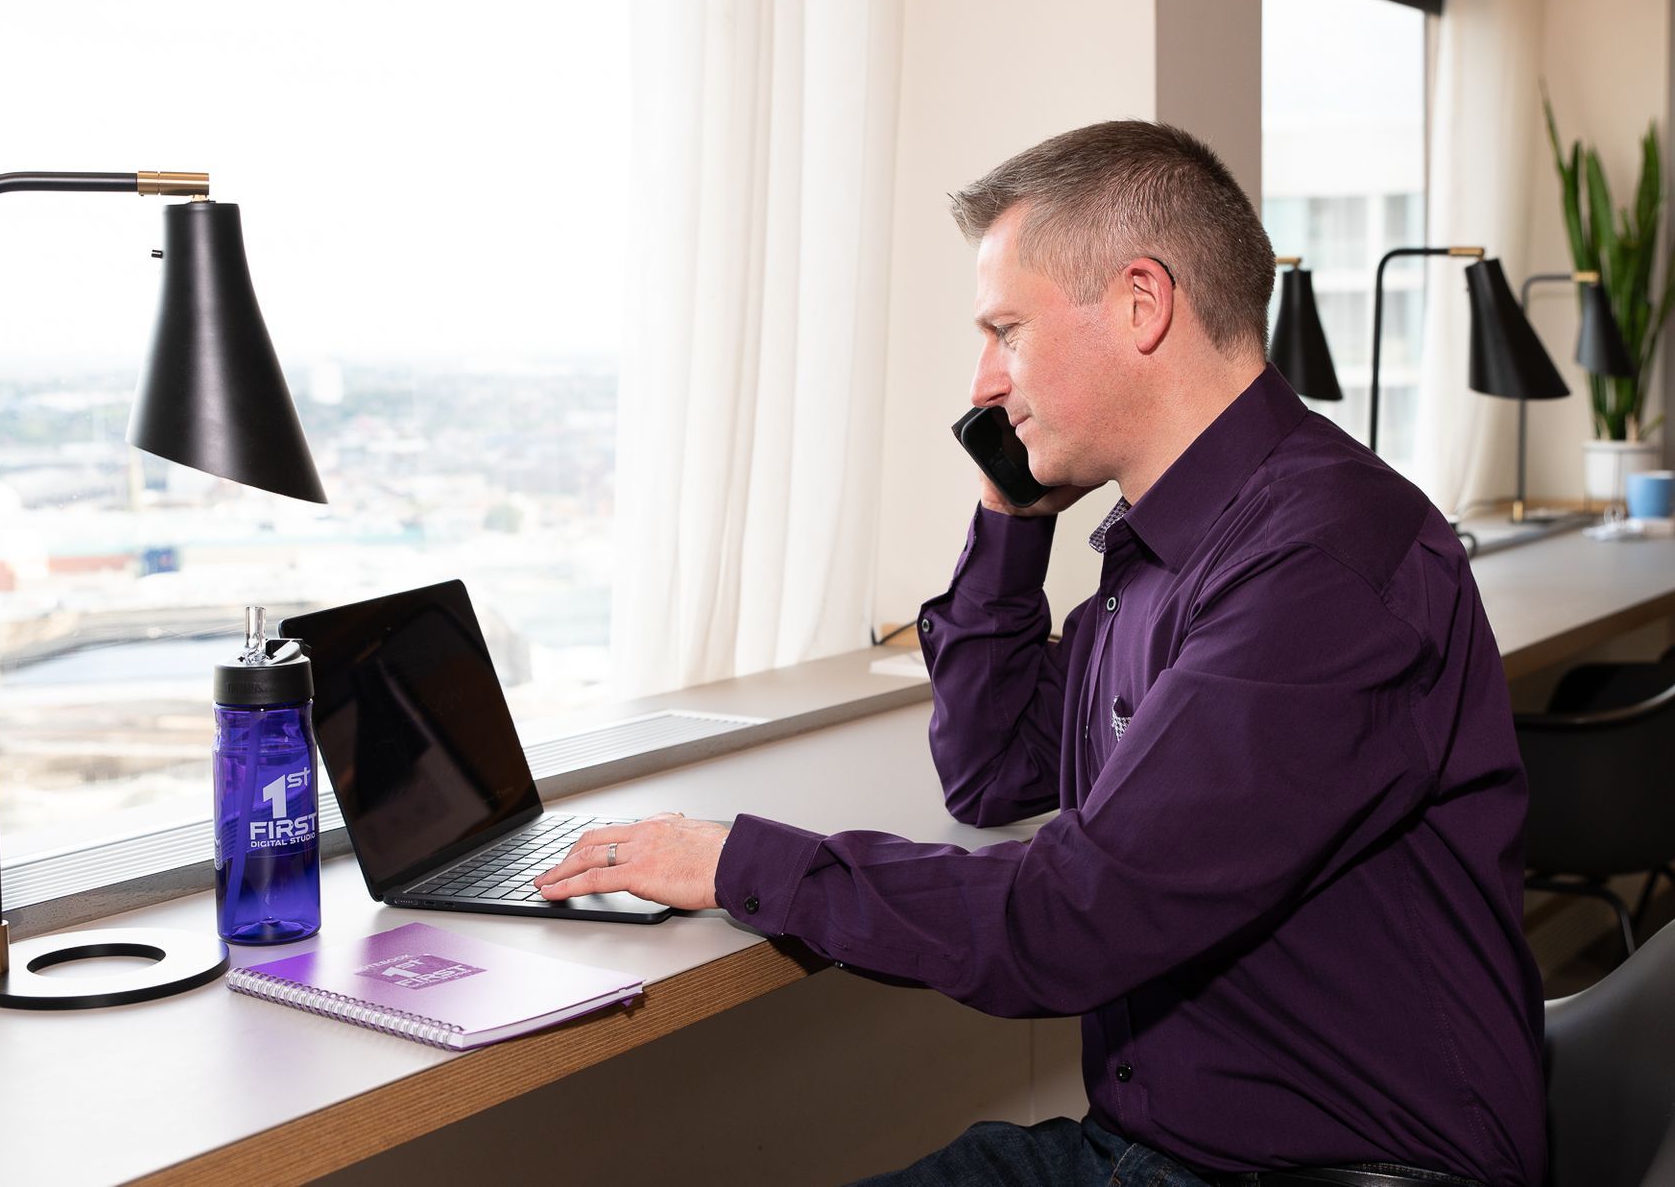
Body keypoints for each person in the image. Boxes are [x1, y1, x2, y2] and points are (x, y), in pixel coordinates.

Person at [534, 121, 1544, 1187]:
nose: (984, 382)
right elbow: (994, 771)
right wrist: (1011, 514)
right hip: (1164, 1149)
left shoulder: (1320, 567)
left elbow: (1072, 921)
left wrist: (737, 859)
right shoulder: (1171, 548)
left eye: (1006, 330)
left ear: (1142, 305)